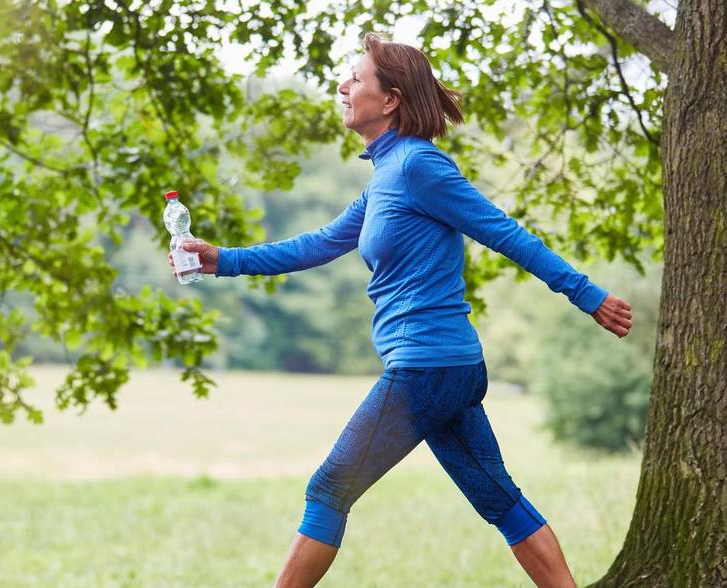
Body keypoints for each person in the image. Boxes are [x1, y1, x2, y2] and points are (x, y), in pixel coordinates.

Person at [169, 32, 633, 588]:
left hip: (427, 366)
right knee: (496, 495)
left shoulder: (419, 167)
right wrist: (224, 259)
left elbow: (504, 233)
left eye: (356, 78)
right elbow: (318, 244)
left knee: (329, 488)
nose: (342, 86)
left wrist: (587, 296)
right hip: (445, 368)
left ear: (390, 99)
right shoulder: (384, 177)